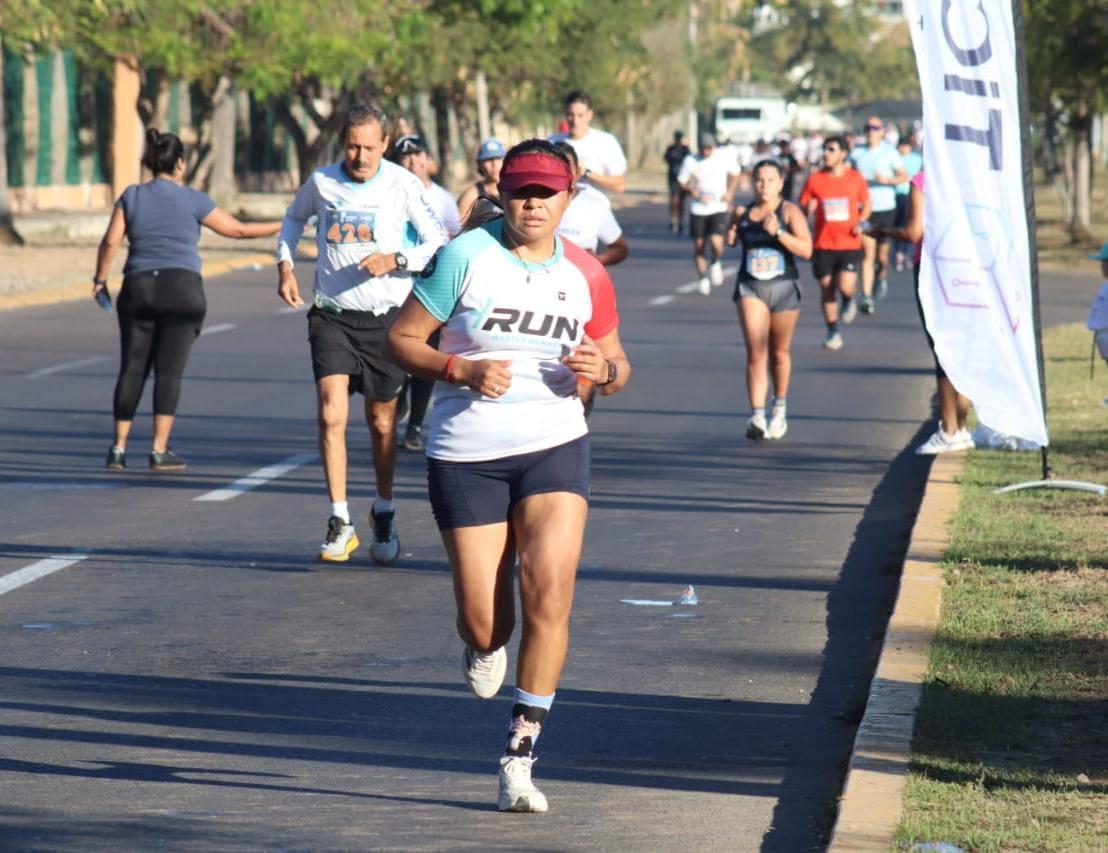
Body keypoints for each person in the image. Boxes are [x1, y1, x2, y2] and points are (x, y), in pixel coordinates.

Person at [385, 139, 630, 813]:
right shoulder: (464, 256)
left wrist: (600, 372)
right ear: (504, 193)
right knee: (485, 620)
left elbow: (617, 363)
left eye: (546, 193)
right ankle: (482, 641)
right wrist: (460, 369)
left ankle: (519, 755)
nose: (532, 202)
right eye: (521, 190)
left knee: (549, 588)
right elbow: (402, 340)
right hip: (468, 451)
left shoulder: (587, 273)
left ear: (568, 199)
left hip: (555, 443)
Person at [276, 104, 446, 563]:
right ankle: (339, 519)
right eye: (352, 146)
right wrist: (285, 263)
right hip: (331, 316)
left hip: (385, 320)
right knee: (332, 413)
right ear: (342, 143)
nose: (360, 156)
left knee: (381, 423)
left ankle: (384, 508)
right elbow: (293, 219)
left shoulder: (402, 184)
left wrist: (397, 259)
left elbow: (437, 240)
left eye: (369, 147)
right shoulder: (322, 182)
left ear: (384, 145)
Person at [94, 129, 281, 472]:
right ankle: (158, 449)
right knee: (169, 372)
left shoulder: (131, 196)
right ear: (180, 164)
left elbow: (110, 242)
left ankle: (118, 449)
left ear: (150, 163)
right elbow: (237, 230)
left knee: (132, 368)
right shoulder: (194, 199)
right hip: (182, 290)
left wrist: (100, 280)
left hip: (138, 288)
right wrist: (285, 225)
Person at [871, 171, 974, 454]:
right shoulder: (969, 170)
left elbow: (914, 232)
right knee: (964, 345)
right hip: (971, 265)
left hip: (934, 266)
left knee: (941, 345)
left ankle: (950, 428)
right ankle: (962, 427)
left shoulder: (923, 179)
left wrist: (882, 232)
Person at [727, 160, 813, 440]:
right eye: (759, 180)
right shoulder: (744, 212)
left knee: (779, 353)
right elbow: (731, 237)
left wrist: (778, 231)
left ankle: (779, 409)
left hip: (784, 287)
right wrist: (732, 229)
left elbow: (807, 249)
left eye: (770, 180)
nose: (764, 185)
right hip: (751, 286)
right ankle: (757, 415)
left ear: (780, 182)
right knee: (756, 351)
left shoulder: (789, 212)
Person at [390, 133, 462, 451]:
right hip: (395, 285)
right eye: (404, 157)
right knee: (396, 352)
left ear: (427, 160)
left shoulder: (444, 199)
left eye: (418, 156)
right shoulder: (388, 194)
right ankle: (398, 396)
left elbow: (458, 241)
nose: (412, 162)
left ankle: (415, 425)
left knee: (426, 354)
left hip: (432, 286)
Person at [798, 134, 870, 350]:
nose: (826, 154)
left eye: (831, 150)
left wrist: (862, 222)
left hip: (849, 242)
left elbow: (866, 204)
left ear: (843, 154)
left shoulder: (855, 178)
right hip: (823, 243)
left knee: (845, 284)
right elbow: (803, 205)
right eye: (825, 149)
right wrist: (807, 209)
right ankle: (832, 329)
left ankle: (849, 299)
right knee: (826, 288)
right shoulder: (815, 179)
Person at [849, 117, 906, 311]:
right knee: (867, 254)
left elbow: (904, 176)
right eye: (868, 127)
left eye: (875, 128)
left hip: (886, 208)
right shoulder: (856, 153)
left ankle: (880, 276)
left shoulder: (889, 152)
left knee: (882, 257)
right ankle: (866, 297)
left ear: (882, 131)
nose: (871, 131)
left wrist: (887, 180)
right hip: (864, 209)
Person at [677, 133, 741, 295]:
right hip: (698, 208)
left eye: (709, 148)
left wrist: (730, 192)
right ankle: (702, 277)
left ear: (715, 147)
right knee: (699, 246)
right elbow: (682, 181)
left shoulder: (723, 157)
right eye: (703, 149)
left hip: (718, 207)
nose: (706, 152)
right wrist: (693, 190)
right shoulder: (690, 161)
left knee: (716, 241)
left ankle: (716, 262)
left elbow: (735, 173)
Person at [554, 142, 629, 266]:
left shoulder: (595, 205)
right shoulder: (535, 204)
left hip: (581, 281)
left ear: (578, 172)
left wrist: (596, 262)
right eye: (557, 167)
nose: (563, 173)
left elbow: (620, 249)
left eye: (568, 167)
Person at [549, 90, 627, 195]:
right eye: (571, 115)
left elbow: (619, 186)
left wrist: (586, 173)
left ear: (589, 115)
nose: (575, 121)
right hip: (561, 210)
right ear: (565, 114)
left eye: (580, 115)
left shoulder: (605, 142)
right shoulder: (552, 143)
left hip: (595, 209)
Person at [457, 138, 506, 226]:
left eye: (498, 158)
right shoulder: (472, 195)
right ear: (480, 164)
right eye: (488, 159)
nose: (494, 164)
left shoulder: (515, 190)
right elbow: (457, 229)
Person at [892, 134, 923, 272]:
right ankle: (899, 252)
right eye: (901, 146)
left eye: (906, 146)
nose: (903, 148)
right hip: (897, 195)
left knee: (910, 226)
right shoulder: (894, 158)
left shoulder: (917, 159)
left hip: (911, 196)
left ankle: (907, 253)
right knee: (899, 225)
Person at [663, 130, 691, 233]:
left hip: (683, 179)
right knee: (674, 200)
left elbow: (689, 161)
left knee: (681, 201)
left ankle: (680, 221)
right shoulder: (670, 148)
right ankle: (672, 220)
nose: (678, 139)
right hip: (673, 178)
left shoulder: (685, 149)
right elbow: (666, 159)